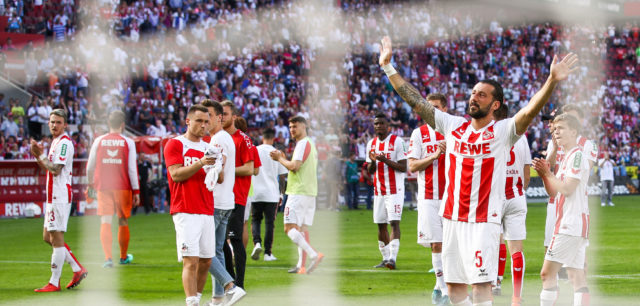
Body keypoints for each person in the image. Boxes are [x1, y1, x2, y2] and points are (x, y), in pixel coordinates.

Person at [379, 36, 577, 305]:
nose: (474, 97)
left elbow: (530, 111)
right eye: (473, 92)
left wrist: (552, 80)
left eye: (482, 95)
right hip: (451, 218)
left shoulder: (502, 131)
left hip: (483, 221)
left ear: (495, 105)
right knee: (454, 289)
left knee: (481, 287)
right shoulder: (453, 126)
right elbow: (416, 101)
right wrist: (389, 67)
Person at [163, 105, 231, 306]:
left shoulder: (209, 145)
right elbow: (175, 175)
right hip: (185, 209)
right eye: (199, 121)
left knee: (206, 260)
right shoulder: (175, 144)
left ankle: (198, 299)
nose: (203, 125)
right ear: (188, 121)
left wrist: (218, 165)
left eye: (206, 121)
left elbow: (220, 179)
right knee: (190, 260)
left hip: (206, 208)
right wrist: (201, 163)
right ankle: (191, 301)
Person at [532, 114, 591, 306]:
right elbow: (553, 192)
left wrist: (548, 173)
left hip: (570, 224)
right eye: (555, 129)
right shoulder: (567, 157)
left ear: (574, 132)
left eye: (562, 128)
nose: (556, 132)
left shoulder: (577, 156)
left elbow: (567, 189)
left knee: (547, 274)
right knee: (576, 277)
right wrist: (544, 175)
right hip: (571, 224)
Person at [31, 109, 87, 292]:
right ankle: (77, 268)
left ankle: (54, 282)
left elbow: (55, 169)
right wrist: (37, 154)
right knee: (48, 236)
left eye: (58, 122)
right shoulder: (55, 142)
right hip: (53, 196)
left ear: (65, 125)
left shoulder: (64, 143)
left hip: (60, 195)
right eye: (52, 122)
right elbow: (47, 167)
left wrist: (39, 155)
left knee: (56, 238)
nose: (54, 125)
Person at [201, 100, 246, 306]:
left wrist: (213, 172)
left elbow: (219, 163)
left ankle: (231, 286)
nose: (205, 121)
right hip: (227, 201)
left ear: (219, 117)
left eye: (209, 115)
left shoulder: (217, 139)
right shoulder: (224, 137)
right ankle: (218, 299)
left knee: (202, 252)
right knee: (217, 250)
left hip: (216, 202)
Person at [407, 93, 448, 304]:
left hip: (452, 196)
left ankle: (440, 286)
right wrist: (434, 156)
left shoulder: (456, 131)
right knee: (436, 243)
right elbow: (412, 166)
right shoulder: (419, 134)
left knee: (452, 246)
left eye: (436, 107)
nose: (431, 111)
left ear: (445, 109)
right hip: (429, 197)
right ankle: (443, 289)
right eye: (428, 107)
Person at [86, 110, 140, 268]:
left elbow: (90, 167)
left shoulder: (99, 141)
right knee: (123, 220)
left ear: (109, 124)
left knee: (105, 220)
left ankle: (108, 258)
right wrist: (136, 191)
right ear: (123, 125)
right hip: (122, 187)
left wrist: (91, 184)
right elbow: (131, 169)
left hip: (103, 186)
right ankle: (123, 257)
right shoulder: (128, 142)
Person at [271, 116, 324, 274]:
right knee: (301, 229)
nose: (292, 129)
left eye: (295, 126)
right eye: (290, 127)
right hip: (309, 192)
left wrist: (280, 159)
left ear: (304, 127)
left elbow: (294, 167)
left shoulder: (303, 144)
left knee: (289, 228)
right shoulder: (310, 144)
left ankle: (314, 255)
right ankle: (301, 265)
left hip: (298, 192)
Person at [544, 105, 598, 252]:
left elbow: (584, 172)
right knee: (549, 245)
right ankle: (555, 275)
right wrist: (555, 148)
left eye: (571, 117)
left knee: (576, 250)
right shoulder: (554, 142)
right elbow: (548, 166)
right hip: (554, 199)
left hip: (575, 201)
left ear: (579, 121)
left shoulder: (588, 145)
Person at [492, 104, 531, 306]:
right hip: (516, 196)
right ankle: (516, 297)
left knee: (493, 243)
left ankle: (494, 285)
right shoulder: (522, 138)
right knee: (516, 249)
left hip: (494, 197)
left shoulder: (491, 133)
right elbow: (526, 176)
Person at [220, 100, 256, 289]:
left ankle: (239, 285)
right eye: (219, 114)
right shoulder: (216, 138)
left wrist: (224, 169)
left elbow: (251, 169)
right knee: (219, 241)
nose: (221, 117)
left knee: (234, 239)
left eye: (225, 114)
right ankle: (229, 281)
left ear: (234, 116)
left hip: (236, 197)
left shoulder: (243, 139)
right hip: (218, 197)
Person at [366, 113, 407, 270]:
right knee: (380, 224)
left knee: (394, 222)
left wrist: (385, 160)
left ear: (387, 125)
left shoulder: (398, 142)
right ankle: (384, 258)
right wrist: (373, 161)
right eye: (376, 124)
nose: (378, 126)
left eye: (381, 123)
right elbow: (370, 170)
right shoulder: (371, 144)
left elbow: (404, 167)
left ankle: (393, 258)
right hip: (379, 190)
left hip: (394, 190)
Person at [251, 128, 288, 261]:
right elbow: (282, 176)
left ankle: (257, 243)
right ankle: (268, 253)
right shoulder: (277, 153)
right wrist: (282, 194)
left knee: (255, 219)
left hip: (256, 192)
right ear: (273, 139)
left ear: (262, 137)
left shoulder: (255, 150)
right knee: (269, 223)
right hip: (271, 193)